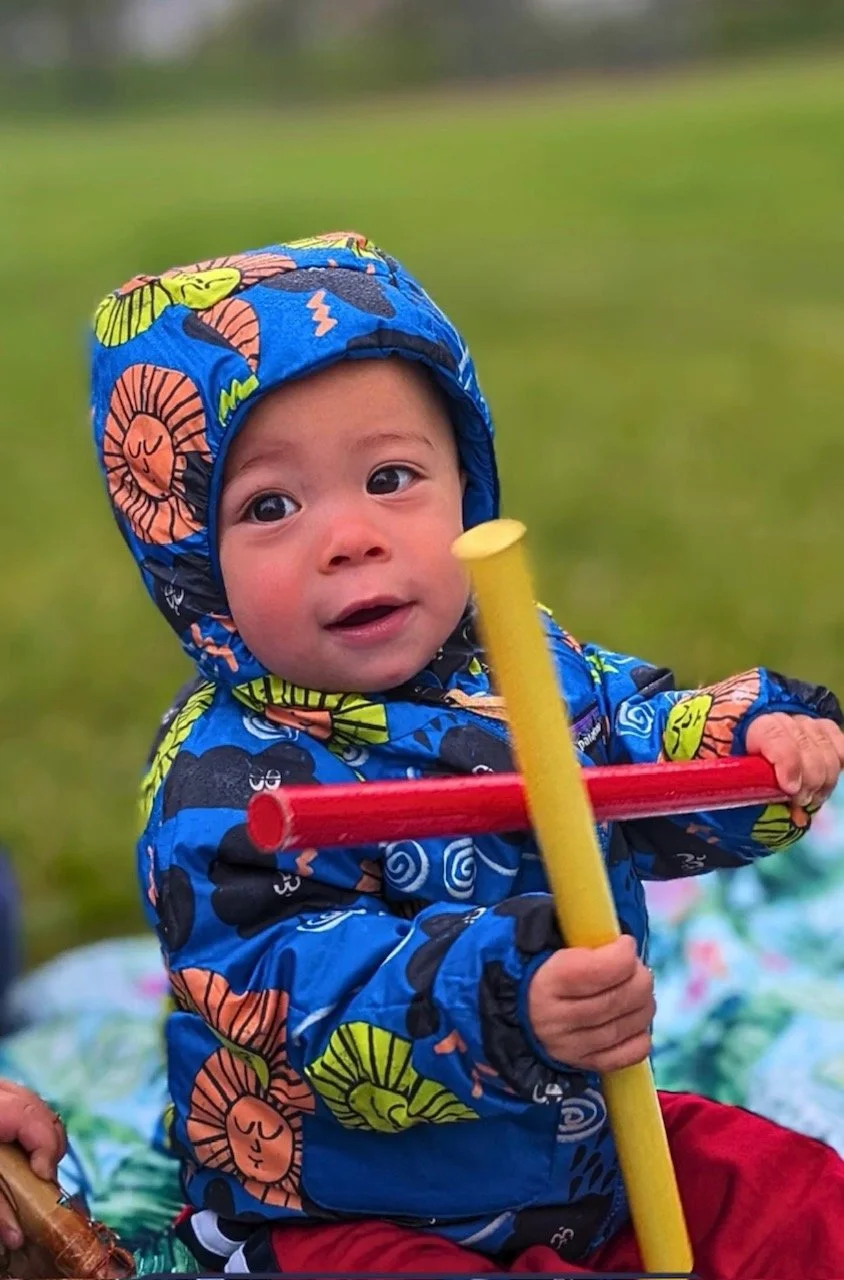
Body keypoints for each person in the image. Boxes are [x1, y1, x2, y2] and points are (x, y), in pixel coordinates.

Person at [89, 232, 844, 1277]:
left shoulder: (519, 655)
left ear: (467, 484)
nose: (350, 536)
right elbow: (291, 992)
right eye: (272, 505)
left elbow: (634, 742)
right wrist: (506, 996)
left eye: (391, 476)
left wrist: (753, 741)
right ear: (189, 560)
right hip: (342, 1204)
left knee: (784, 1189)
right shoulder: (226, 777)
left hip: (582, 1156)